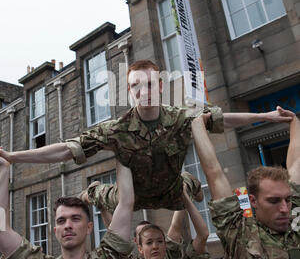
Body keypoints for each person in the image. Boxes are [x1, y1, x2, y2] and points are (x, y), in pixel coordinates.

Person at [0, 60, 294, 211]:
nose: (144, 92)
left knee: (188, 186)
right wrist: (14, 156)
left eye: (150, 84)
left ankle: (189, 184)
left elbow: (221, 119)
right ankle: (93, 192)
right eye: (136, 86)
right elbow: (66, 150)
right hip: (132, 198)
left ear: (161, 86)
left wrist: (265, 116)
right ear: (129, 91)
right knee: (102, 193)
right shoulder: (116, 129)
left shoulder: (180, 118)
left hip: (170, 192)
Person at [191, 107, 300, 259]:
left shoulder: (294, 214)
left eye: (287, 199)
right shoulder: (240, 231)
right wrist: (198, 124)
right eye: (273, 201)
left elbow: (295, 165)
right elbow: (214, 173)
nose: (285, 208)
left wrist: (294, 122)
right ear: (253, 201)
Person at [0, 159, 137, 259]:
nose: (68, 225)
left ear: (89, 227)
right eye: (61, 221)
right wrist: (4, 169)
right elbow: (1, 229)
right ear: (55, 230)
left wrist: (120, 146)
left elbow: (126, 202)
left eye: (76, 219)